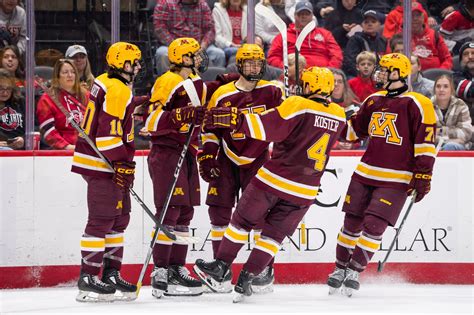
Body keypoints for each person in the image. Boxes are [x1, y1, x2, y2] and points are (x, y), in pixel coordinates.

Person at [194, 67, 346, 302]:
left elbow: (268, 127)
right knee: (273, 236)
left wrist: (238, 120)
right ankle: (247, 277)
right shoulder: (339, 114)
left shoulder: (297, 104)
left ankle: (222, 265)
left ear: (309, 86)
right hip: (306, 190)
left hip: (275, 179)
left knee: (241, 222)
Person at [326, 53, 437, 297]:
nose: (380, 74)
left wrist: (423, 176)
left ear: (398, 73)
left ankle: (355, 269)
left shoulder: (418, 103)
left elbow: (425, 145)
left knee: (375, 226)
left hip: (396, 179)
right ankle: (339, 268)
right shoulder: (373, 100)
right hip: (365, 173)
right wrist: (329, 117)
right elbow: (355, 131)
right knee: (350, 224)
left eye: (385, 70)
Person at [194, 43, 283, 293]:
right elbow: (210, 129)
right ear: (240, 66)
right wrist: (208, 154)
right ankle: (220, 272)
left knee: (259, 215)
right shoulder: (222, 93)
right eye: (250, 63)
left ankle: (262, 270)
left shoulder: (273, 92)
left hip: (259, 159)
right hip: (226, 156)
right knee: (220, 213)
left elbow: (286, 122)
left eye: (258, 63)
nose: (255, 68)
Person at [71, 42, 143, 302]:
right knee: (101, 220)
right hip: (102, 164)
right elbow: (107, 138)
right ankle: (88, 277)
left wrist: (136, 103)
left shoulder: (105, 80)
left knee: (118, 220)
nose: (138, 66)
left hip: (105, 163)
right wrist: (123, 162)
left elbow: (111, 116)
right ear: (123, 65)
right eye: (134, 62)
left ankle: (111, 273)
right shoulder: (117, 89)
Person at [144, 37, 207, 298]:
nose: (200, 58)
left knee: (184, 213)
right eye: (195, 54)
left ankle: (176, 267)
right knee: (169, 211)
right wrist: (179, 116)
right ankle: (160, 269)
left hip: (188, 152)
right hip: (167, 152)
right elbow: (151, 120)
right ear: (183, 58)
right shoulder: (168, 81)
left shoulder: (196, 83)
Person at [153, 0, 225, 76]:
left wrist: (203, 45)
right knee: (162, 54)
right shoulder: (165, 3)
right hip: (173, 45)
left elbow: (210, 29)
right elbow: (160, 29)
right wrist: (177, 48)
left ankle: (212, 84)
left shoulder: (203, 5)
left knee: (218, 54)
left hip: (198, 46)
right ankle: (169, 84)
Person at [267, 1, 343, 69]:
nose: (303, 16)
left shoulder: (325, 34)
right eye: (300, 14)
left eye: (307, 14)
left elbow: (337, 54)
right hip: (293, 75)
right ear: (294, 15)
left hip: (322, 76)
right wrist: (287, 69)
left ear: (312, 16)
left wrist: (328, 70)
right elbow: (273, 56)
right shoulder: (284, 35)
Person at [36, 59, 88, 150]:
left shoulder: (86, 96)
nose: (70, 75)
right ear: (57, 77)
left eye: (73, 72)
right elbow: (48, 131)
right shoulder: (47, 99)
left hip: (87, 149)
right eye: (65, 72)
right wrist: (67, 147)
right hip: (61, 152)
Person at [432, 74, 472, 150]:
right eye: (438, 86)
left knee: (450, 146)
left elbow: (466, 133)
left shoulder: (461, 105)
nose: (441, 89)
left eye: (446, 86)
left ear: (452, 90)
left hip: (458, 146)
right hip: (434, 146)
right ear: (434, 89)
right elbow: (425, 134)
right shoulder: (427, 106)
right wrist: (451, 137)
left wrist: (440, 130)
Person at [342, 9, 387, 78]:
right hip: (358, 76)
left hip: (378, 76)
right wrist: (364, 76)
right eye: (366, 22)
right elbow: (350, 62)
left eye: (373, 22)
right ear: (362, 25)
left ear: (380, 25)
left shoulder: (383, 41)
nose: (369, 24)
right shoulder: (355, 39)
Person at [329, 68, 361, 150]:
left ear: (344, 85)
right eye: (333, 81)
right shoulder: (320, 105)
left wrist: (353, 144)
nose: (336, 84)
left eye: (340, 81)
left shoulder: (355, 107)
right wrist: (335, 145)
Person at [0, 68, 23, 150]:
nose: (5, 93)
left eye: (8, 88)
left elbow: (34, 127)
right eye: (1, 88)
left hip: (21, 149)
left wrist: (23, 139)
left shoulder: (20, 102)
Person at [453, 41, 474, 125]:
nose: (470, 57)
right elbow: (469, 91)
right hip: (463, 123)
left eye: (473, 53)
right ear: (461, 60)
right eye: (465, 54)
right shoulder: (456, 77)